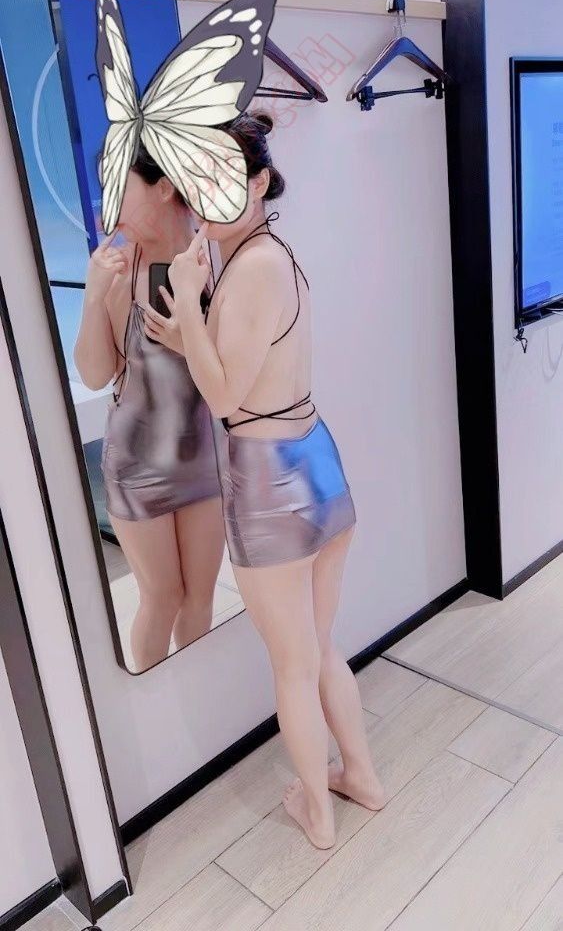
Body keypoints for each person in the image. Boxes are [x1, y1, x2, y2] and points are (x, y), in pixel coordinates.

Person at [167, 110, 386, 848]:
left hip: (268, 483)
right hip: (315, 461)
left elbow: (225, 397)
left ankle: (317, 814)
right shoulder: (266, 255)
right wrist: (193, 325)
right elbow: (249, 365)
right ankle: (360, 776)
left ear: (259, 182)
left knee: (293, 665)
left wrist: (186, 298)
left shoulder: (251, 266)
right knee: (319, 648)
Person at [74, 146, 226, 673]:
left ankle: (194, 699)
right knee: (162, 597)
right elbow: (96, 374)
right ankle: (154, 699)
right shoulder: (118, 271)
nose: (107, 204)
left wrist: (193, 332)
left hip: (205, 460)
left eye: (120, 188)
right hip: (137, 467)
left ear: (163, 187)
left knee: (200, 598)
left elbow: (237, 373)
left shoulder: (216, 260)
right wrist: (94, 296)